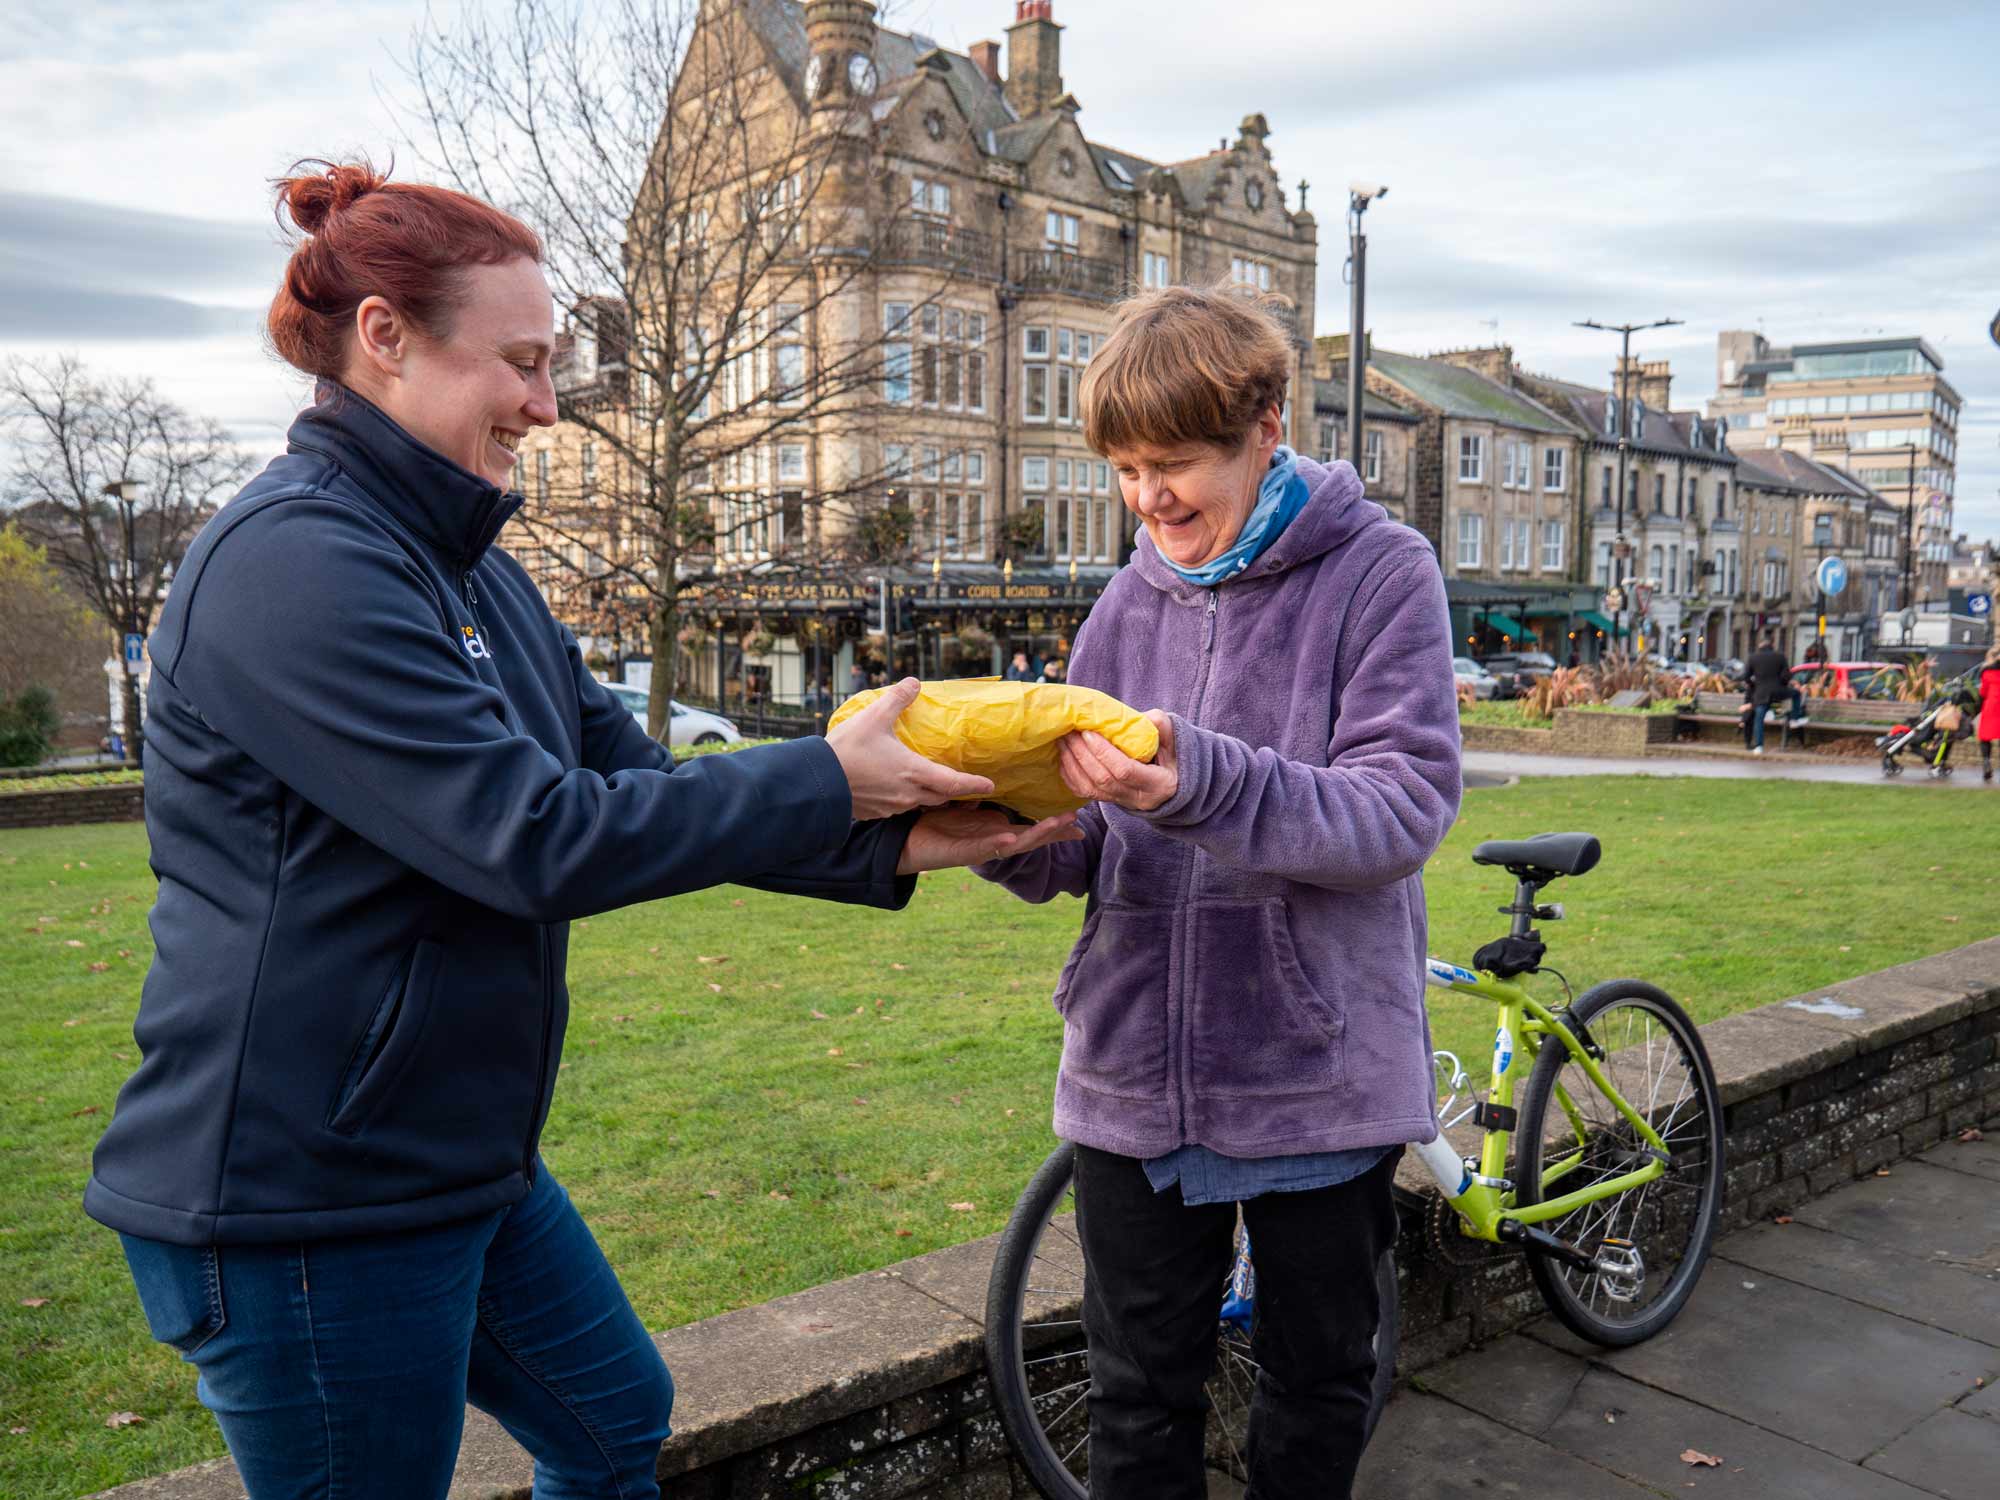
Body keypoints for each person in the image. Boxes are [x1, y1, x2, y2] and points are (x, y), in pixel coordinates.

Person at [84, 161, 1082, 1500]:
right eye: (522, 363)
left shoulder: (468, 568)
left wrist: (894, 835)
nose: (548, 405)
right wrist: (829, 780)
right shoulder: (295, 566)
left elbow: (626, 775)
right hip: (305, 1196)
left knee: (614, 1421)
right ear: (385, 338)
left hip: (451, 1159)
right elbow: (531, 836)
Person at [975, 284, 1461, 1499]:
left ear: (1264, 424)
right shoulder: (1125, 598)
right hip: (1130, 1066)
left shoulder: (1378, 573)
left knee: (1314, 1387)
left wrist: (1192, 774)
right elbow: (1090, 845)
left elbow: (1399, 810)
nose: (1149, 499)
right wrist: (1000, 823)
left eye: (1175, 462)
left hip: (1312, 1068)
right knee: (1136, 1399)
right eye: (1126, 469)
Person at [1741, 634, 1808, 754]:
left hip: (1761, 693)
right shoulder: (1780, 656)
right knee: (1796, 694)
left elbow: (1746, 677)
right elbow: (1786, 676)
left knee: (1759, 718)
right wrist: (1782, 684)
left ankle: (1759, 746)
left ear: (1760, 645)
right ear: (1772, 644)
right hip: (1778, 691)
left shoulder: (1753, 657)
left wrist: (1755, 686)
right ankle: (1794, 719)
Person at [1980, 645, 2000, 782]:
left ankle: (1987, 763)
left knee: (1985, 737)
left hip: (1991, 706)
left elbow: (1983, 692)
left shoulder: (1987, 673)